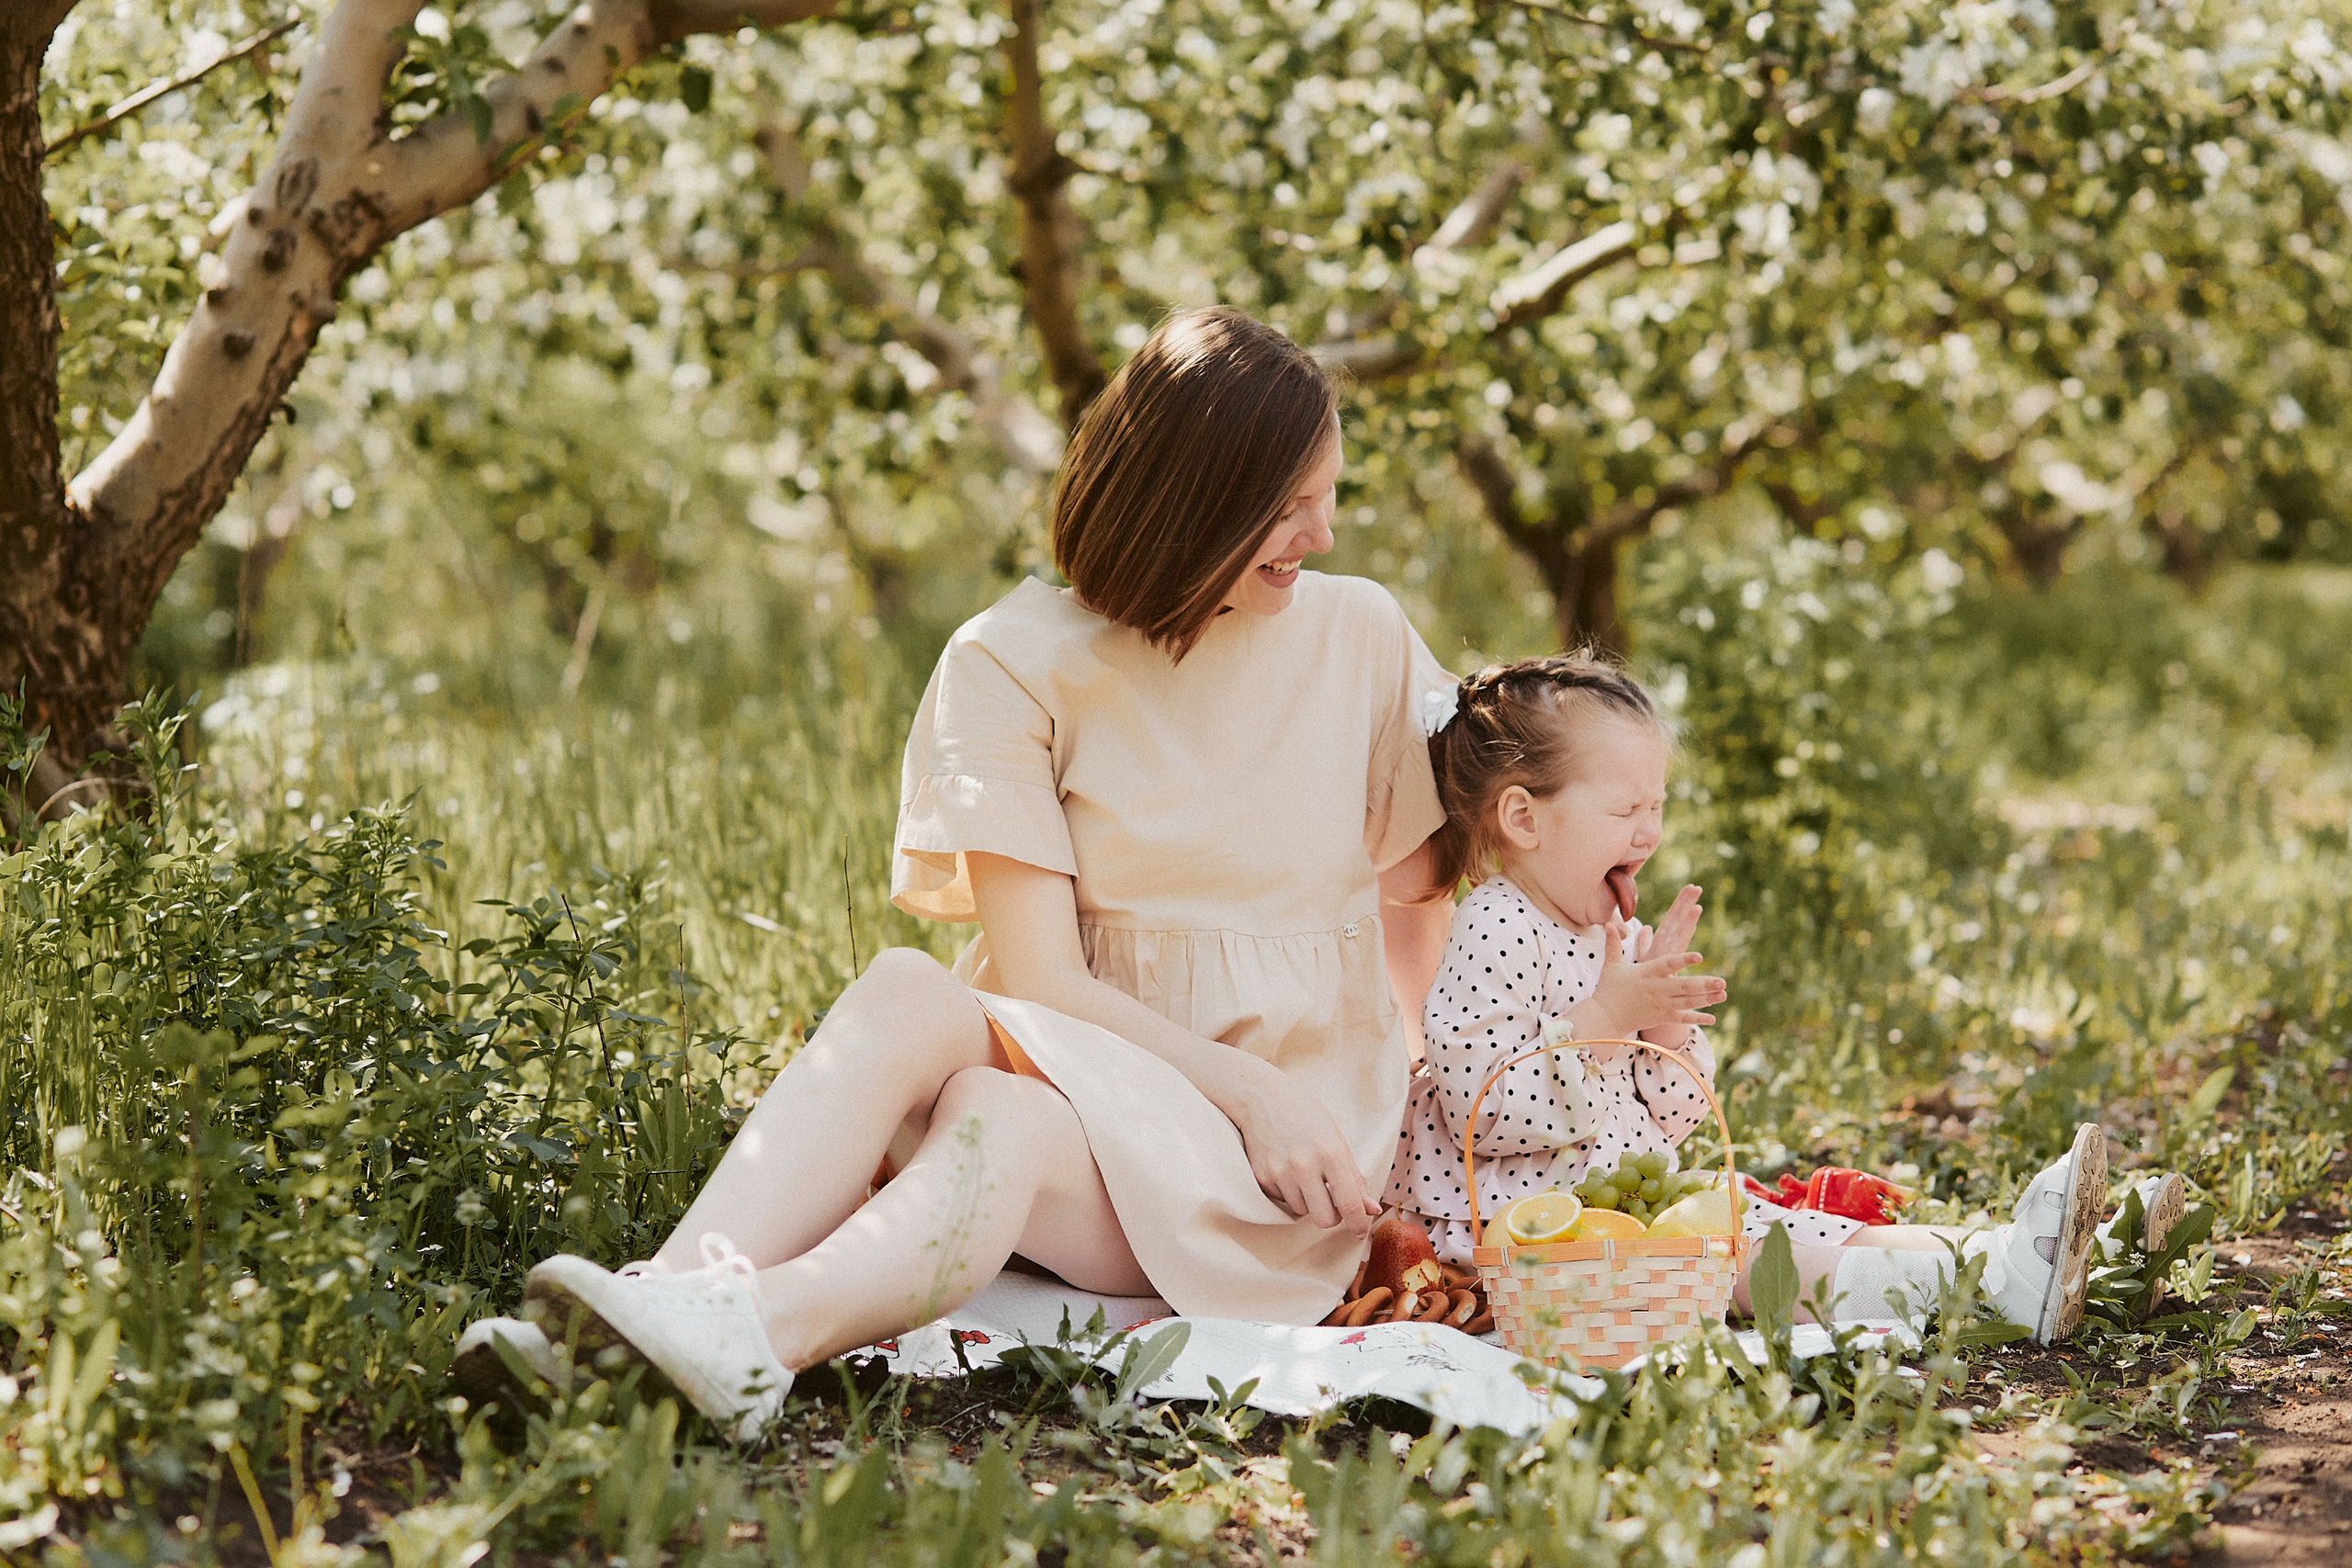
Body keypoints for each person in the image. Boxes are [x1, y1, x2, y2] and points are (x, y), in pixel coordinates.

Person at [454, 307, 1463, 1438]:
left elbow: (1416, 892)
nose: (1321, 535)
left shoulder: (1358, 633)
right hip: (1113, 1089)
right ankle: (667, 1309)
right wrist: (1243, 1089)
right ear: (1188, 505)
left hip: (1276, 1172)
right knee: (908, 991)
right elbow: (1041, 987)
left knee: (1000, 1114)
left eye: (1329, 494)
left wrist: (1416, 1109)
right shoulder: (1010, 659)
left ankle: (743, 1336)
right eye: (1287, 506)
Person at [1383, 655, 2187, 1343]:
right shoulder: (1495, 926)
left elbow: (1669, 1115)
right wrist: (1605, 1020)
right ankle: (1997, 1286)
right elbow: (1476, 1109)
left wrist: (1661, 1028)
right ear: (1523, 817)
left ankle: (2054, 1257)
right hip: (1541, 1236)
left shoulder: (1605, 933)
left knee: (1813, 1229)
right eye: (1626, 810)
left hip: (1630, 1211)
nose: (1648, 834)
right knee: (1761, 1259)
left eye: (1657, 807)